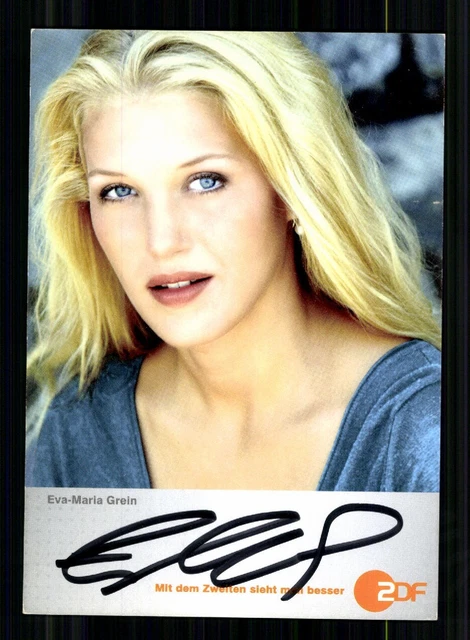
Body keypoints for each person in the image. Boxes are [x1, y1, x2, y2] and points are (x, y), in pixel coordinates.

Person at [27, 31, 441, 491]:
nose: (161, 242)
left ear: (291, 190)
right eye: (119, 191)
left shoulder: (426, 431)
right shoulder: (80, 428)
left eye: (205, 181)